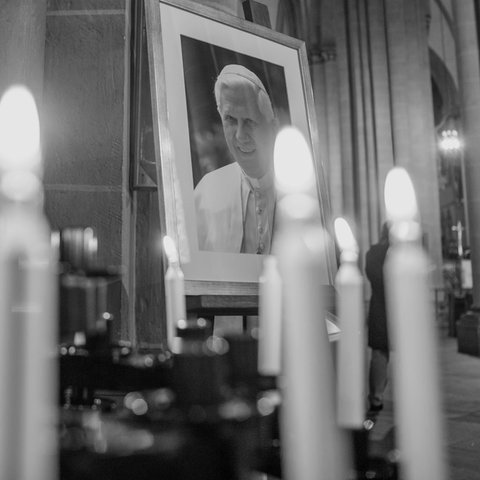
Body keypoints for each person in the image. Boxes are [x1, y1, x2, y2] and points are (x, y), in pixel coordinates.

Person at [194, 64, 279, 254]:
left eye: (249, 121)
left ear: (272, 128)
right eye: (231, 120)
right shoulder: (205, 192)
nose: (240, 136)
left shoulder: (298, 193)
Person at [365, 222, 390, 414]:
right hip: (389, 308)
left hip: (380, 307)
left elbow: (374, 277)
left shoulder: (373, 253)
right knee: (381, 354)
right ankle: (376, 396)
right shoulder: (400, 254)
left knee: (379, 353)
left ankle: (376, 397)